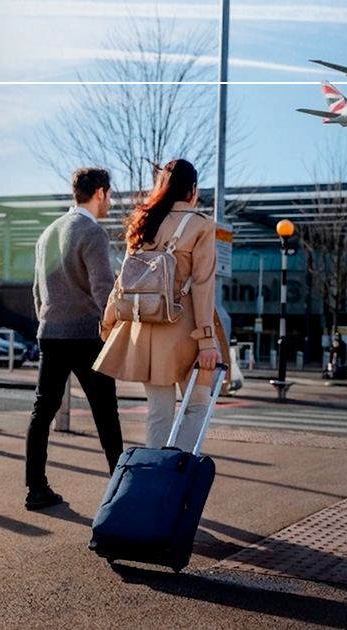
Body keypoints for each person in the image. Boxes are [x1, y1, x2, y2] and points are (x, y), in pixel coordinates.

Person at [95, 159, 222, 453]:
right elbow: (203, 285)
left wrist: (109, 322)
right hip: (185, 330)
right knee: (197, 406)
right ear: (192, 189)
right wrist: (206, 341)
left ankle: (154, 473)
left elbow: (124, 281)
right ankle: (177, 470)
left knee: (158, 413)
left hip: (145, 330)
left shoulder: (143, 222)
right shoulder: (201, 224)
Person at [25, 167, 123, 511]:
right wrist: (114, 328)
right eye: (110, 195)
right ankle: (121, 491)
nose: (110, 202)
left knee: (43, 410)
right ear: (99, 192)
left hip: (51, 333)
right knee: (105, 413)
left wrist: (48, 321)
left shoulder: (47, 233)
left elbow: (37, 290)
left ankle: (36, 488)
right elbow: (103, 288)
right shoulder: (93, 233)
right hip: (87, 335)